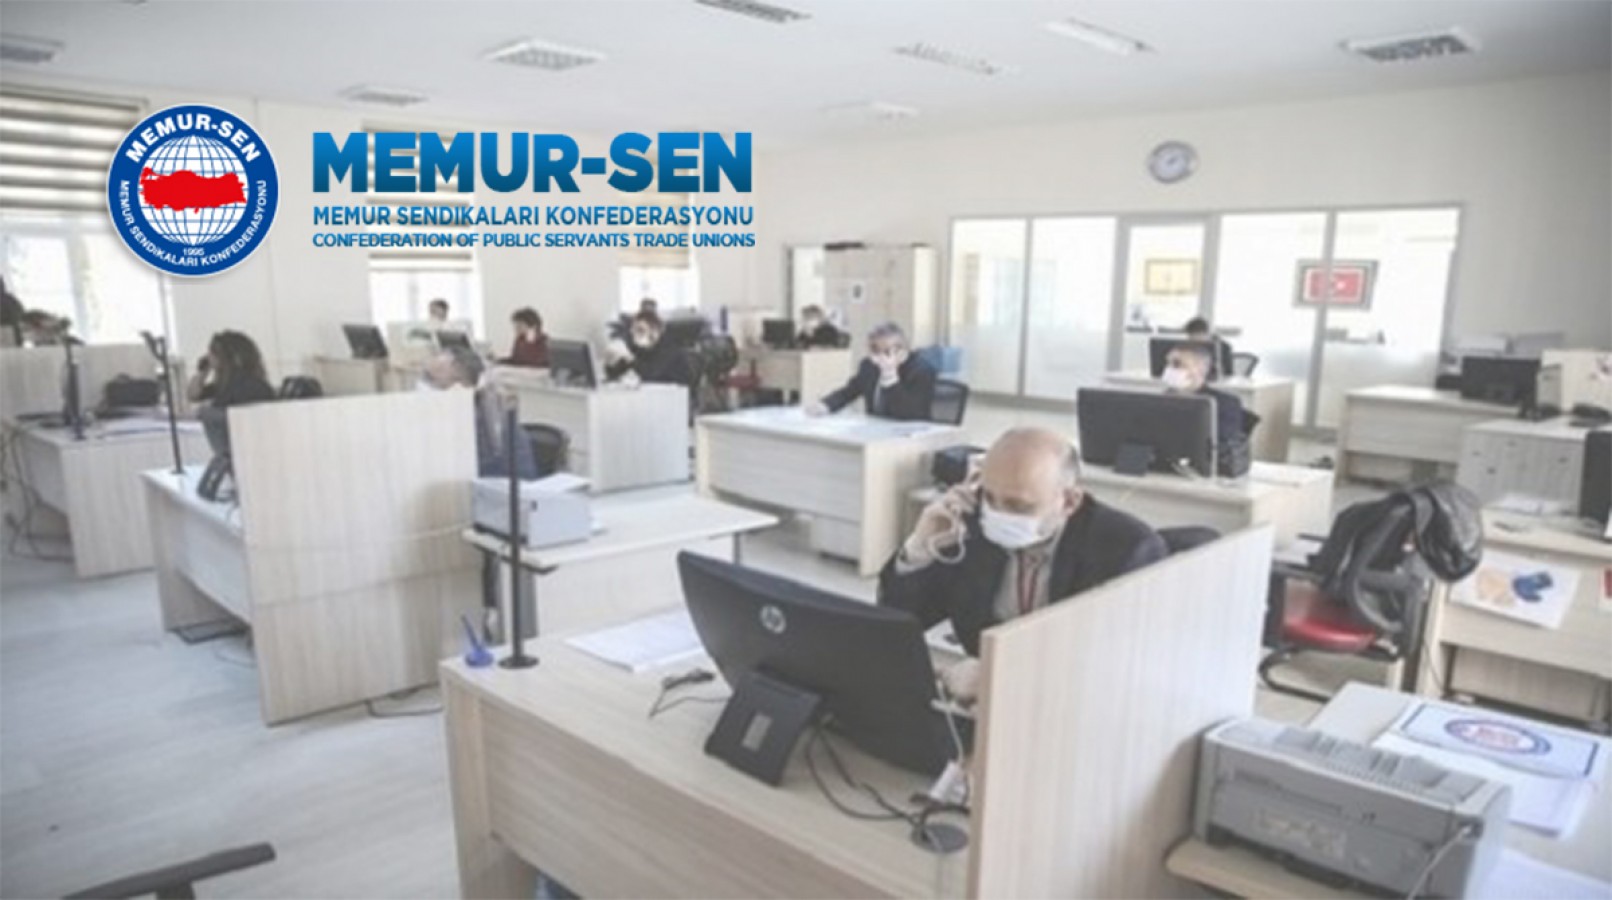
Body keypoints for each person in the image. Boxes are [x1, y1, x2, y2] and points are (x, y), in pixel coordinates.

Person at [879, 428, 1168, 700]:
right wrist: (919, 547)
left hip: (1069, 703)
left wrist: (1001, 677)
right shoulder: (968, 523)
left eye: (1019, 506)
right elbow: (898, 622)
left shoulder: (1127, 550)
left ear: (1069, 502)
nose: (998, 513)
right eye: (989, 497)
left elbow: (1121, 670)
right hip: (982, 707)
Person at [806, 322, 935, 421]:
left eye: (884, 353)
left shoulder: (922, 371)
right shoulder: (869, 366)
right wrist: (825, 405)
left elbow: (908, 414)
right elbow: (849, 392)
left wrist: (890, 377)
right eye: (874, 353)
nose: (876, 360)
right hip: (876, 431)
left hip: (910, 435)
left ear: (900, 352)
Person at [1162, 342, 1252, 477]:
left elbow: (1218, 443)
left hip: (1203, 472)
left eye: (1177, 364)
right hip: (1167, 468)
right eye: (1167, 364)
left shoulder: (1225, 403)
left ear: (1200, 369)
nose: (1169, 369)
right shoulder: (1161, 399)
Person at [186, 330, 276, 408]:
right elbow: (194, 395)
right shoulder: (224, 384)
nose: (208, 356)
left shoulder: (244, 385)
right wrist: (203, 370)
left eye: (212, 352)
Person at [604, 312, 694, 386]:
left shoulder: (670, 349)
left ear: (655, 332)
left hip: (674, 396)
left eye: (640, 330)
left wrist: (629, 357)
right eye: (633, 330)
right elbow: (616, 374)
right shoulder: (638, 348)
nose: (634, 334)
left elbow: (650, 375)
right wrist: (611, 362)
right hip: (650, 396)